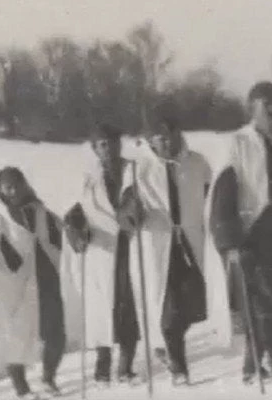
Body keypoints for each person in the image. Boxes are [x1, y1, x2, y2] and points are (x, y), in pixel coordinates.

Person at [203, 81, 272, 384]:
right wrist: (229, 241)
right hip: (249, 229)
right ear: (251, 109)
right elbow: (224, 193)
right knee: (262, 298)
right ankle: (252, 366)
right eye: (265, 104)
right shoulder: (238, 144)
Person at [118, 106, 213, 385]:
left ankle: (167, 346)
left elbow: (204, 191)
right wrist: (131, 213)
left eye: (171, 134)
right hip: (156, 244)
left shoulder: (197, 163)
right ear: (149, 140)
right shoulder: (138, 168)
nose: (167, 141)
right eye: (159, 137)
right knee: (167, 304)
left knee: (189, 304)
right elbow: (125, 209)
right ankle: (178, 364)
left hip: (188, 241)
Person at [0, 167, 69, 399]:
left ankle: (48, 377)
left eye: (17, 184)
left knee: (55, 333)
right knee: (16, 335)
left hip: (46, 278)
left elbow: (61, 234)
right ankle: (21, 388)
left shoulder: (40, 211)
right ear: (0, 190)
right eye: (8, 186)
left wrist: (75, 225)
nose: (14, 190)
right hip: (14, 284)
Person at [61, 123, 144, 385]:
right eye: (103, 144)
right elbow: (77, 209)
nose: (109, 149)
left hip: (129, 245)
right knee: (102, 310)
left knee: (129, 306)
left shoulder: (134, 170)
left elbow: (147, 200)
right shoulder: (87, 177)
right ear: (95, 149)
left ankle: (126, 366)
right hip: (101, 249)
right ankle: (102, 365)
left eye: (113, 142)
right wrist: (75, 226)